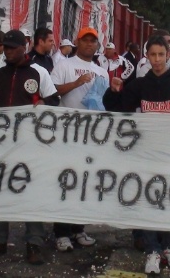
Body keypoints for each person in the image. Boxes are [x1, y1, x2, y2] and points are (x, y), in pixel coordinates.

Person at [103, 35, 170, 274]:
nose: (157, 60)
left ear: (168, 55)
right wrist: (114, 91)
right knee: (148, 201)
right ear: (146, 57)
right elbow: (118, 109)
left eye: (161, 55)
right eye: (152, 55)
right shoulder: (139, 85)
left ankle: (169, 246)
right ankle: (152, 250)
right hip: (145, 154)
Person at [0, 30, 59, 265]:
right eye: (6, 48)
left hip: (31, 144)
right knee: (0, 188)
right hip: (2, 143)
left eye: (13, 48)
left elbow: (54, 100)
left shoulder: (39, 72)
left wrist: (43, 102)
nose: (8, 52)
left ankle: (35, 241)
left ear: (25, 47)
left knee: (31, 190)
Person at [50, 26, 105, 250]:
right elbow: (52, 92)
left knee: (85, 182)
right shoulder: (64, 65)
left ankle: (79, 228)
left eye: (93, 41)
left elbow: (105, 101)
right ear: (77, 42)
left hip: (91, 135)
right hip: (67, 133)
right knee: (65, 181)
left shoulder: (102, 71)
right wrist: (77, 83)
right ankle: (61, 232)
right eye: (85, 40)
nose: (89, 44)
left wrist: (116, 88)